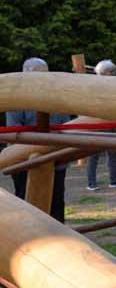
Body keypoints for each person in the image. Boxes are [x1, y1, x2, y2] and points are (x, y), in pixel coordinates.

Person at [7, 58, 71, 223]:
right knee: (24, 202)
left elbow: (66, 128)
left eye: (45, 73)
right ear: (25, 74)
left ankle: (60, 240)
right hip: (23, 161)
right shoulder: (16, 99)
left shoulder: (58, 98)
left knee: (56, 202)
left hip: (55, 159)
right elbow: (14, 135)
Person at [85, 59, 116, 191]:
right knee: (93, 156)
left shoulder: (115, 86)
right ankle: (91, 182)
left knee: (113, 154)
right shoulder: (91, 87)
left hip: (111, 124)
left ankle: (114, 180)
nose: (114, 74)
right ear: (103, 72)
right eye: (112, 71)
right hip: (96, 125)